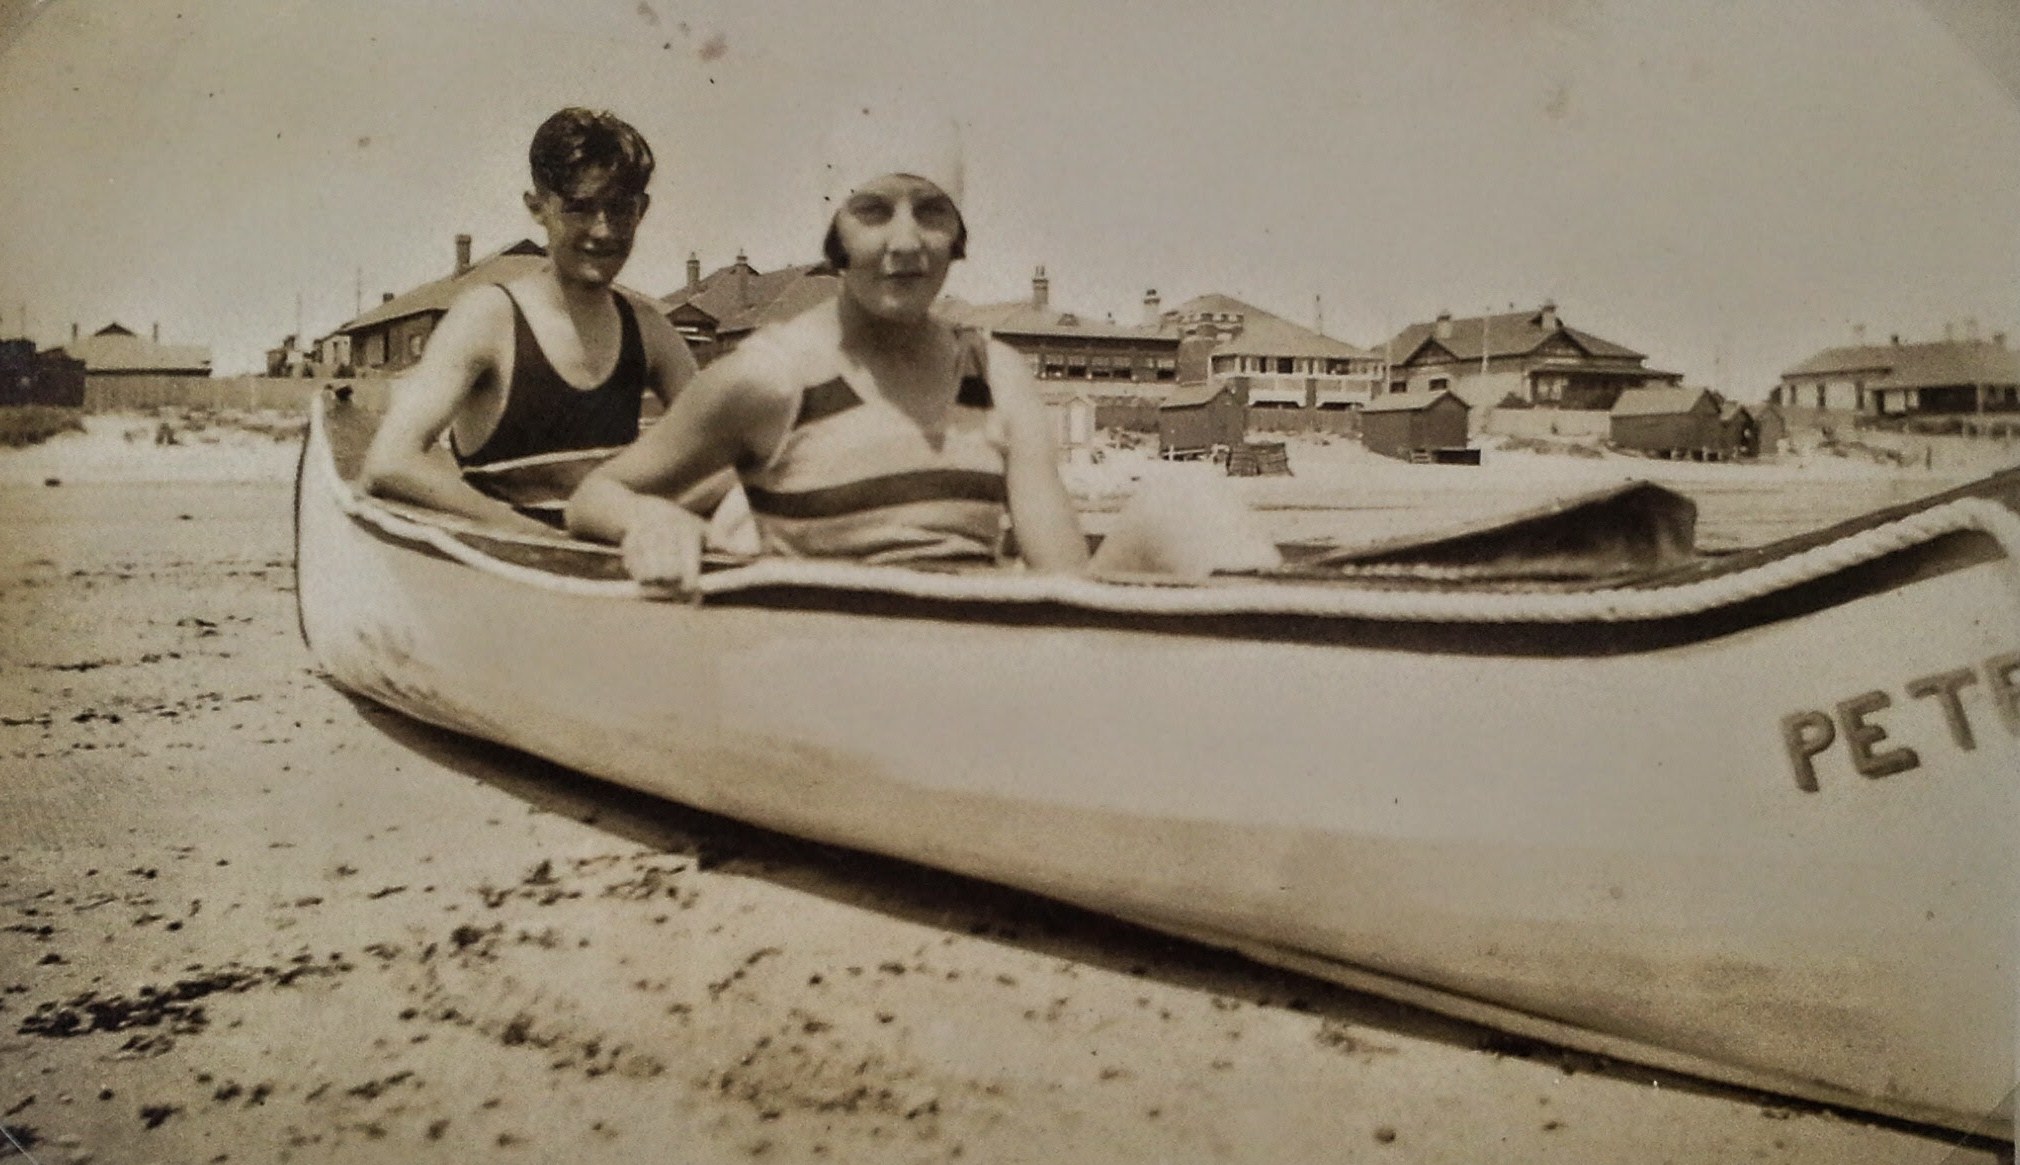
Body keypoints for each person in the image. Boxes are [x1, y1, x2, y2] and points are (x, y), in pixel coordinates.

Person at [567, 105, 1090, 585]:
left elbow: (1068, 584)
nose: (906, 242)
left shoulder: (998, 377)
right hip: (820, 649)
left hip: (972, 648)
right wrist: (652, 520)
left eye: (932, 211)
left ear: (957, 233)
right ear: (835, 234)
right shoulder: (772, 379)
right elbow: (594, 495)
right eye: (873, 211)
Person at [360, 107, 716, 536]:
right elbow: (390, 462)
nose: (603, 231)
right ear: (538, 207)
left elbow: (724, 456)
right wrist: (535, 537)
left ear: (641, 210)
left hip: (610, 561)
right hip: (501, 561)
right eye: (579, 209)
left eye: (620, 209)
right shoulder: (488, 318)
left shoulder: (650, 330)